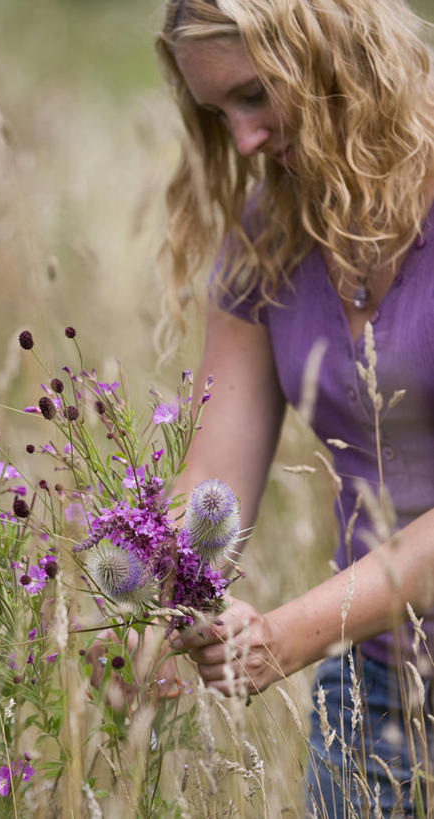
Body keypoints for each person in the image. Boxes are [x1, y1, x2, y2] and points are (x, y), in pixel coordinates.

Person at [155, 0, 434, 815]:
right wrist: (175, 598)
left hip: (330, 634)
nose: (241, 140)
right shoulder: (267, 232)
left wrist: (283, 637)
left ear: (331, 52)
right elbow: (213, 478)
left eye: (252, 95)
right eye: (217, 112)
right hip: (375, 682)